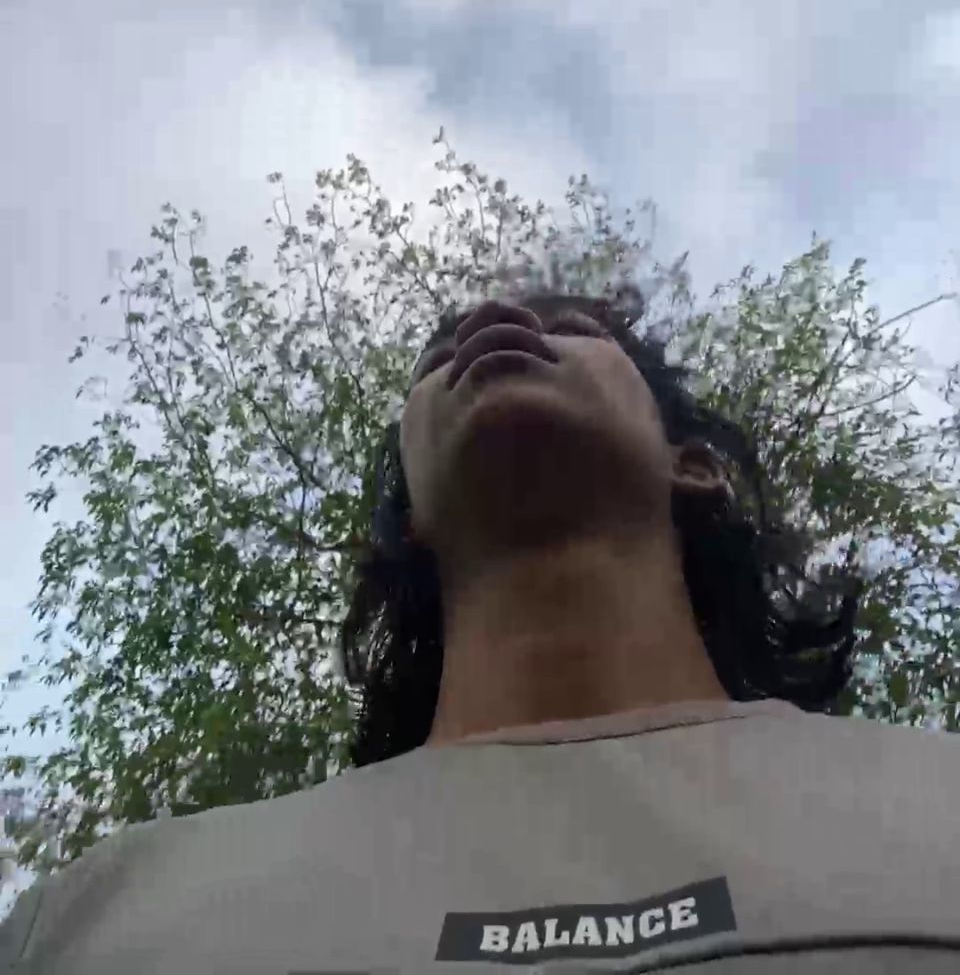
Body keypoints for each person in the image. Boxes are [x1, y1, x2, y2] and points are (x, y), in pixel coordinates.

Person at [2, 291, 958, 974]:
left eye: (573, 329)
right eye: (436, 362)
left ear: (694, 466)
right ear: (409, 516)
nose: (493, 322)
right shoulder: (92, 918)